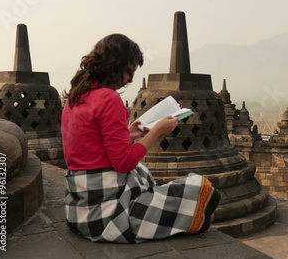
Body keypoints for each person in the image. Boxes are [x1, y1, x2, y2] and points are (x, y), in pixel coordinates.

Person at [61, 34, 220, 243]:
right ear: (116, 65)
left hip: (79, 206)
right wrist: (157, 130)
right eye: (129, 71)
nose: (130, 79)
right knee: (201, 189)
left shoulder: (77, 95)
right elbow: (124, 162)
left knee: (152, 180)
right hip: (105, 209)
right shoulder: (109, 99)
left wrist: (130, 133)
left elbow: (91, 144)